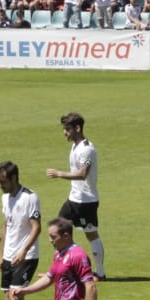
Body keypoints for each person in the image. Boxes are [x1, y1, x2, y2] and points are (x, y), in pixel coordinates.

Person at [45, 112, 106, 279]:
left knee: (91, 235)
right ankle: (62, 269)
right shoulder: (75, 146)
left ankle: (99, 272)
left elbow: (82, 174)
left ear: (77, 128)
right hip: (73, 199)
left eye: (67, 129)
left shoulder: (87, 149)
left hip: (86, 202)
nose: (64, 133)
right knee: (58, 231)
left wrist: (58, 173)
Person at [0, 161, 45, 300]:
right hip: (8, 255)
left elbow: (36, 227)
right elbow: (6, 226)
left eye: (3, 181)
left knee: (16, 297)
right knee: (8, 299)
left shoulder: (30, 197)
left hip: (27, 256)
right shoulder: (5, 198)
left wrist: (24, 250)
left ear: (14, 178)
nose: (1, 185)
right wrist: (1, 255)